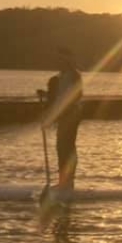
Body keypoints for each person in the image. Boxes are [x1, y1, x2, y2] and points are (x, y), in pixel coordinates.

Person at [43, 47, 83, 191]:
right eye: (57, 59)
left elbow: (77, 95)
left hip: (72, 115)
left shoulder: (74, 76)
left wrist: (65, 109)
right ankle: (63, 182)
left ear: (68, 60)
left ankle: (68, 183)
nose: (58, 61)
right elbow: (56, 98)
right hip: (64, 116)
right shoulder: (58, 78)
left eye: (61, 59)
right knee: (61, 148)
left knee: (67, 148)